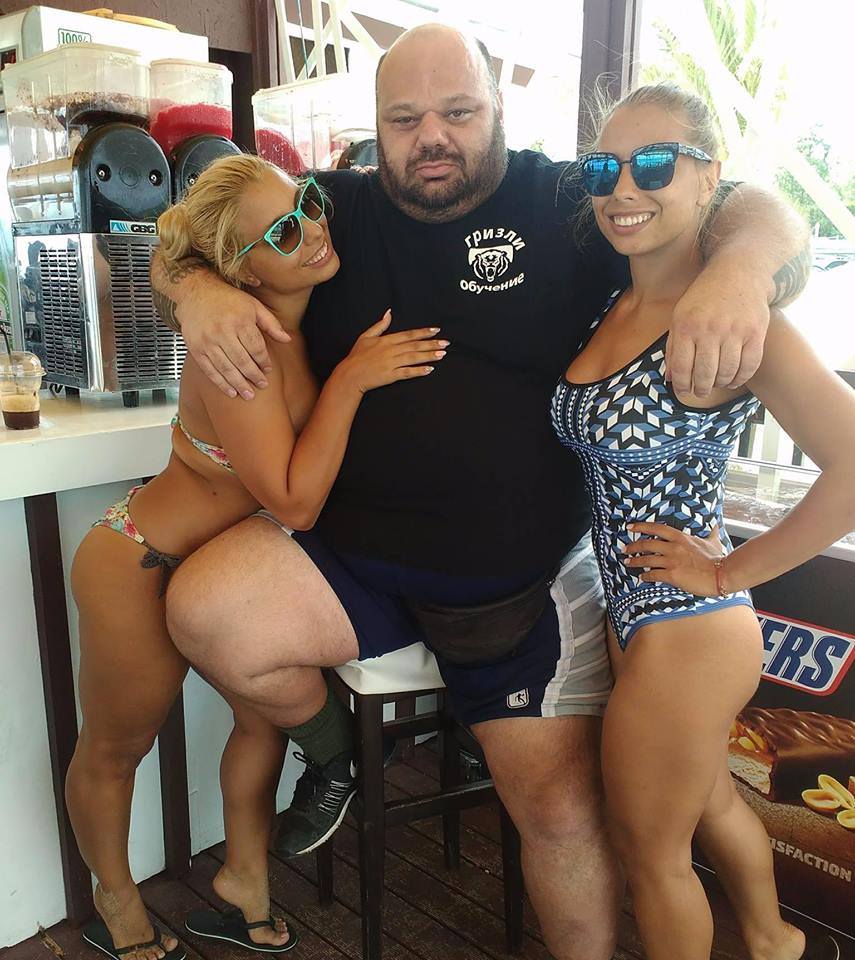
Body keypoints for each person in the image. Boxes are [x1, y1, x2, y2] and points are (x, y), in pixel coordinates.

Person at [152, 25, 811, 960]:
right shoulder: (328, 209)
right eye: (404, 118)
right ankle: (337, 756)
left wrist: (740, 271)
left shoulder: (570, 200)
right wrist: (195, 292)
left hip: (512, 588)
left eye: (458, 112)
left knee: (556, 811)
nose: (431, 136)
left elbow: (757, 206)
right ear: (376, 125)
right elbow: (187, 229)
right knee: (203, 610)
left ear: (497, 106)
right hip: (357, 557)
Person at [67, 153, 445, 960]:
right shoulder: (243, 344)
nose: (311, 228)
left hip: (236, 573)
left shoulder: (302, 307)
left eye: (306, 202)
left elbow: (176, 255)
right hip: (144, 561)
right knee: (115, 750)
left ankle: (244, 883)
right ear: (241, 268)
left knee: (261, 724)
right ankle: (116, 900)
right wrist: (350, 382)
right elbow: (295, 502)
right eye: (282, 231)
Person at [552, 83, 850, 960]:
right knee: (710, 798)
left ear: (708, 177)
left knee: (650, 857)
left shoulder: (733, 321)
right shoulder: (612, 303)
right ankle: (773, 939)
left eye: (653, 165)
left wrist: (729, 570)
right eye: (602, 170)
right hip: (632, 611)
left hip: (691, 621)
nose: (622, 188)